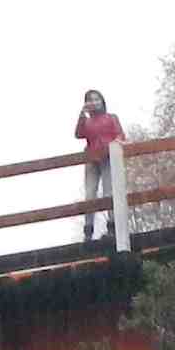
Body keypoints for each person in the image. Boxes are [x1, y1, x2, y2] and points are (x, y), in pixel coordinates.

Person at [72, 89, 125, 244]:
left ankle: (112, 227)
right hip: (91, 159)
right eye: (90, 100)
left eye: (96, 99)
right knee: (90, 194)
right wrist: (82, 115)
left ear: (102, 101)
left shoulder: (111, 118)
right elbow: (78, 134)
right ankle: (88, 230)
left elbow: (120, 135)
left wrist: (116, 143)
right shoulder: (87, 122)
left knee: (109, 193)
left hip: (109, 157)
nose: (94, 102)